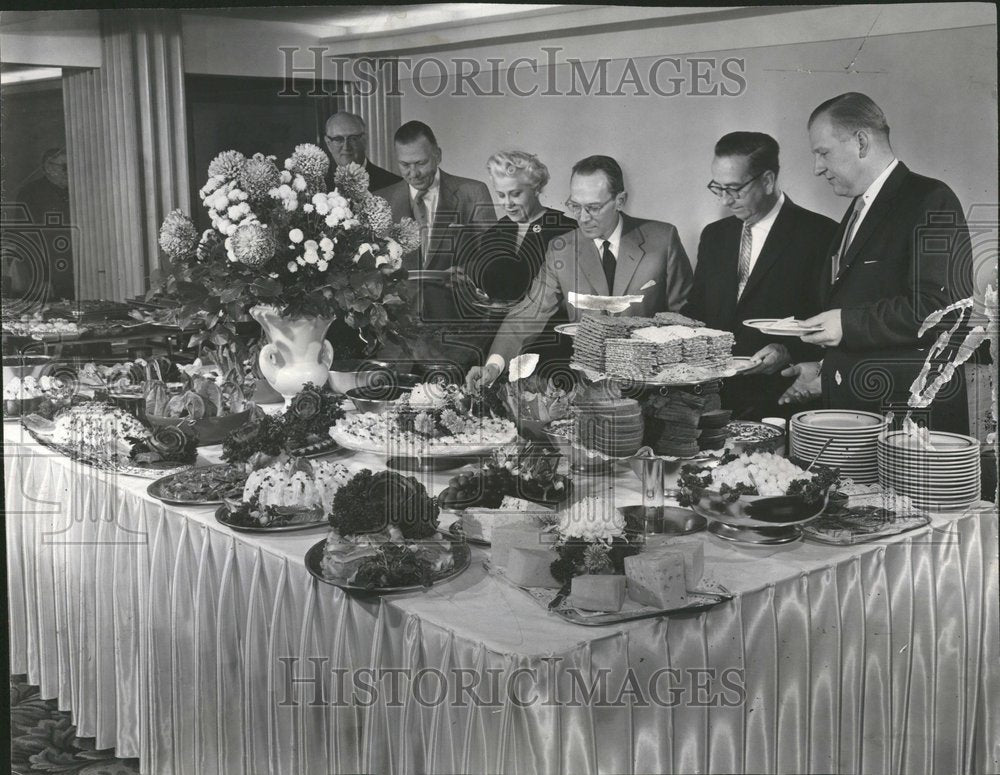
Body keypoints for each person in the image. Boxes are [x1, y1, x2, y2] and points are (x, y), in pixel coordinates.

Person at [780, 92, 972, 433]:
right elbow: (864, 304)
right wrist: (824, 366)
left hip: (908, 423)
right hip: (863, 411)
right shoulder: (858, 208)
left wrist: (845, 324)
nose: (817, 168)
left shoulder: (931, 199)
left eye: (823, 152)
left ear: (861, 142)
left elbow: (941, 311)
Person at [466, 155, 693, 389]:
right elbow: (526, 315)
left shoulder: (662, 240)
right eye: (575, 206)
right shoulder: (561, 249)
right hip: (588, 389)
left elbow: (688, 320)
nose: (582, 218)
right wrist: (493, 365)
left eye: (593, 208)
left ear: (620, 200)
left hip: (655, 386)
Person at [684, 132, 837, 419]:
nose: (726, 200)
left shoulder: (822, 234)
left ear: (767, 181)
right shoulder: (715, 235)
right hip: (712, 400)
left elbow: (830, 319)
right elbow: (697, 309)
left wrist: (787, 350)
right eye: (718, 188)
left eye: (735, 189)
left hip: (783, 398)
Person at [376, 120, 495, 270]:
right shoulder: (380, 201)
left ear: (438, 156)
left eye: (420, 163)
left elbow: (491, 256)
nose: (413, 174)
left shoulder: (474, 193)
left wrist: (464, 273)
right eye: (405, 165)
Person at [6, 147, 74, 302]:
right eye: (64, 167)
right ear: (49, 168)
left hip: (73, 269)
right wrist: (42, 278)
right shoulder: (31, 192)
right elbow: (27, 237)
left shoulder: (77, 191)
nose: (69, 172)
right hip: (47, 270)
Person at [322, 111, 400, 193]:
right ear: (328, 144)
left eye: (353, 139)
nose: (346, 147)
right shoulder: (319, 188)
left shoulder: (394, 184)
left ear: (364, 140)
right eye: (338, 139)